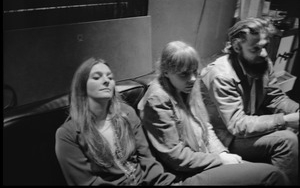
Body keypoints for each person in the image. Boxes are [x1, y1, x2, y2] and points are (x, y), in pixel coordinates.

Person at [55, 57, 287, 186]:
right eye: (97, 77)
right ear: (81, 85)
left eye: (110, 77)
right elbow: (86, 183)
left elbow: (147, 160)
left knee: (270, 175)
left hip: (167, 184)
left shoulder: (125, 114)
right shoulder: (68, 134)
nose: (107, 81)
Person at [137, 41, 289, 185]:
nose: (192, 79)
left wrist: (223, 153)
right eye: (184, 74)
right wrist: (220, 160)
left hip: (205, 158)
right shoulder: (158, 98)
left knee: (272, 172)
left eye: (194, 72)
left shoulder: (187, 87)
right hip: (184, 174)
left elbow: (206, 127)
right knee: (271, 175)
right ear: (166, 72)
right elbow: (175, 156)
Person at [200, 17, 299, 185]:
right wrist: (284, 120)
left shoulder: (261, 62)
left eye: (265, 46)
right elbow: (237, 125)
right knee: (287, 140)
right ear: (237, 46)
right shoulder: (220, 75)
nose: (264, 53)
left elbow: (274, 96)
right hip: (228, 137)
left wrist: (296, 111)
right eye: (256, 48)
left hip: (249, 125)